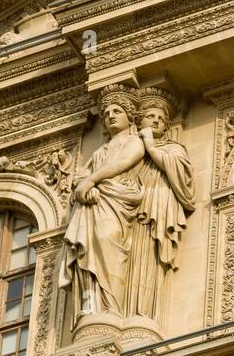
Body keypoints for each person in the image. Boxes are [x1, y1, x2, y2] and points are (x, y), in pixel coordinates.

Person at [58, 86, 146, 319]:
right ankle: (94, 308)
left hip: (117, 202)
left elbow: (124, 162)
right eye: (106, 113)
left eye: (117, 111)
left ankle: (112, 308)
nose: (110, 115)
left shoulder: (134, 141)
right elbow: (80, 178)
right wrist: (83, 186)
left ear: (129, 117)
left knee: (107, 241)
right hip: (93, 205)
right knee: (89, 251)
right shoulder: (100, 152)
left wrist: (91, 181)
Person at [125, 88, 195, 322]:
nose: (156, 121)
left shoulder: (173, 149)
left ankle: (145, 314)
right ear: (139, 121)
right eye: (150, 116)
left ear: (166, 127)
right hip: (131, 211)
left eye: (161, 119)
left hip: (157, 207)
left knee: (149, 258)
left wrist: (151, 148)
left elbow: (182, 180)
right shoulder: (128, 151)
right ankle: (131, 312)